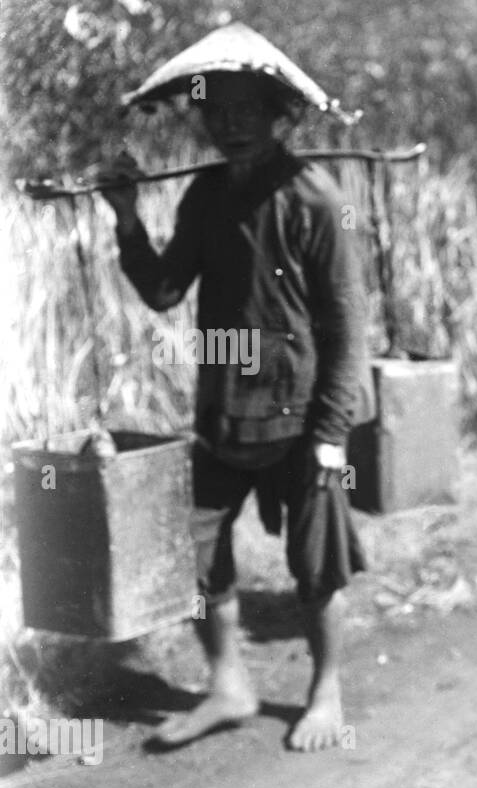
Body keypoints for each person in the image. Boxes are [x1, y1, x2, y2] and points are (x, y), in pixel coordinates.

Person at [97, 67, 367, 752]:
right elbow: (163, 290)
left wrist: (331, 436)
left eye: (249, 111)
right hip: (223, 414)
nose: (231, 125)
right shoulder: (205, 194)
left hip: (303, 417)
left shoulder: (314, 198)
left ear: (283, 117)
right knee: (194, 548)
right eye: (217, 113)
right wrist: (126, 218)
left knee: (317, 564)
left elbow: (346, 327)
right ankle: (228, 683)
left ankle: (326, 688)